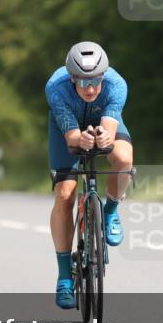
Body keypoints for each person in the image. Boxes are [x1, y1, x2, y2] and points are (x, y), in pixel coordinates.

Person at [45, 41, 133, 309]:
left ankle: (110, 211)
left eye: (96, 81)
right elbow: (72, 137)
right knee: (65, 194)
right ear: (71, 78)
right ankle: (64, 277)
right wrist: (77, 137)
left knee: (122, 158)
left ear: (103, 76)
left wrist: (102, 136)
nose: (91, 88)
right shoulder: (56, 88)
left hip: (103, 121)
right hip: (68, 129)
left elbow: (108, 126)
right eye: (83, 83)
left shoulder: (117, 85)